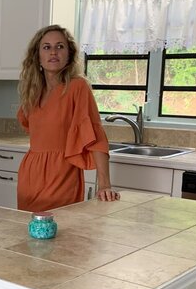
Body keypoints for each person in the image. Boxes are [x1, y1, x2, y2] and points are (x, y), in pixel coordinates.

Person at [16, 24, 119, 212]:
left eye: (60, 46)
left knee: (62, 234)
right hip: (30, 176)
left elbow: (95, 137)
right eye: (46, 47)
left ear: (69, 54)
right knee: (29, 232)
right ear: (37, 56)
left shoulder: (77, 87)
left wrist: (104, 185)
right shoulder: (32, 91)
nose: (53, 52)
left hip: (62, 175)